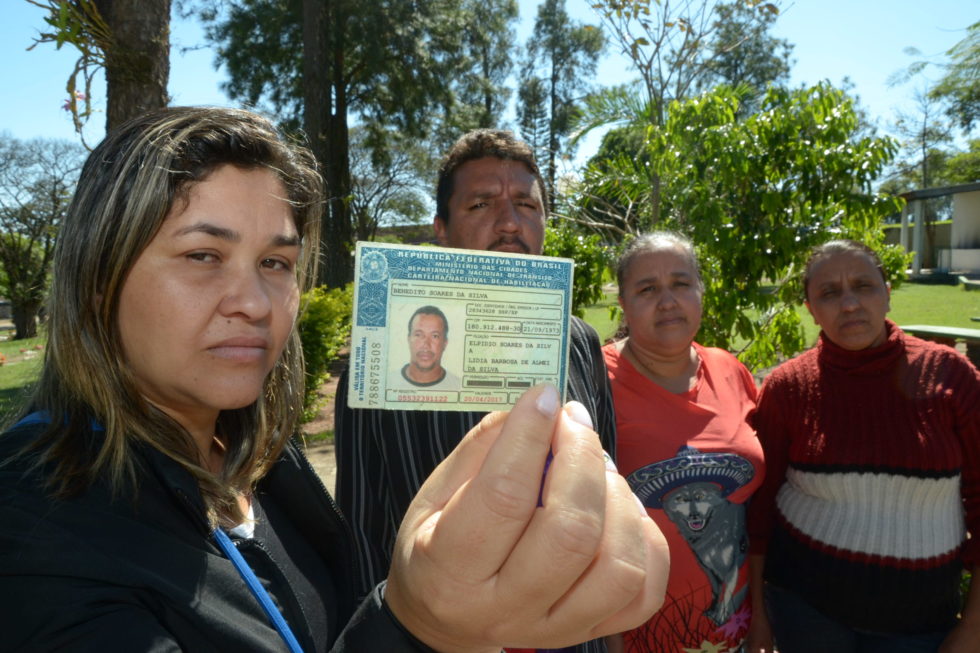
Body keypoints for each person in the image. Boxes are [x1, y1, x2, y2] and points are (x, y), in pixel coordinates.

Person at [0, 107, 671, 652]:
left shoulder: (264, 457)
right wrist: (420, 623)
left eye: (276, 262)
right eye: (203, 255)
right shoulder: (30, 524)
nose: (256, 303)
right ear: (97, 281)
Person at [335, 129, 617, 653]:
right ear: (441, 228)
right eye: (482, 203)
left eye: (527, 205)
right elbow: (363, 531)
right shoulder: (376, 366)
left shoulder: (580, 341)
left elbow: (607, 486)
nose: (510, 222)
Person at [745, 240, 980, 653]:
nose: (849, 304)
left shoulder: (952, 377)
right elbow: (760, 512)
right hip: (806, 613)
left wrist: (974, 626)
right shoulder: (787, 388)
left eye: (863, 286)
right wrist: (759, 617)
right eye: (829, 293)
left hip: (922, 625)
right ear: (810, 308)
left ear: (888, 293)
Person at [601, 232, 763, 652]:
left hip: (733, 634)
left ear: (700, 292)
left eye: (680, 283)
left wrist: (763, 624)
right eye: (647, 289)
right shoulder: (596, 379)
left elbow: (757, 519)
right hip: (634, 635)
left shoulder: (730, 369)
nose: (667, 301)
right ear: (623, 303)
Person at [391, 305, 460, 390]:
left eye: (435, 336)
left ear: (445, 343)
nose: (426, 345)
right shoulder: (389, 383)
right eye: (418, 335)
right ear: (409, 339)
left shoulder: (458, 387)